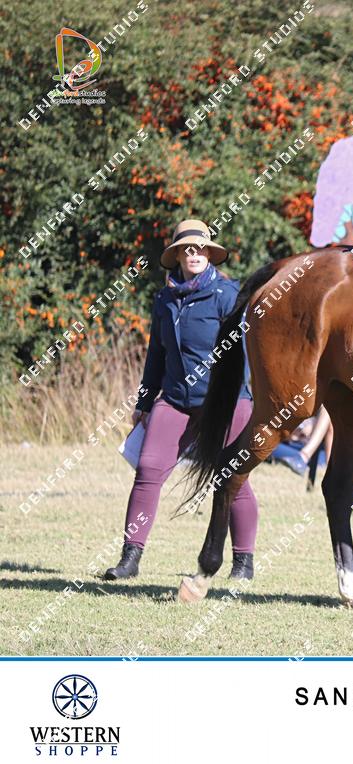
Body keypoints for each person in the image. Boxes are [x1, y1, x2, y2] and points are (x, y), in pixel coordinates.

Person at [104, 220, 258, 580]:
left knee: (231, 478)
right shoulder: (164, 299)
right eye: (187, 248)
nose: (194, 253)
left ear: (209, 254)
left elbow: (247, 353)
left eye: (200, 247)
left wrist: (247, 397)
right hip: (174, 399)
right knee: (147, 470)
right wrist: (144, 402)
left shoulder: (227, 295)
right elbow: (156, 355)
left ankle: (243, 563)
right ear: (176, 255)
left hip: (226, 401)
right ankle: (130, 558)